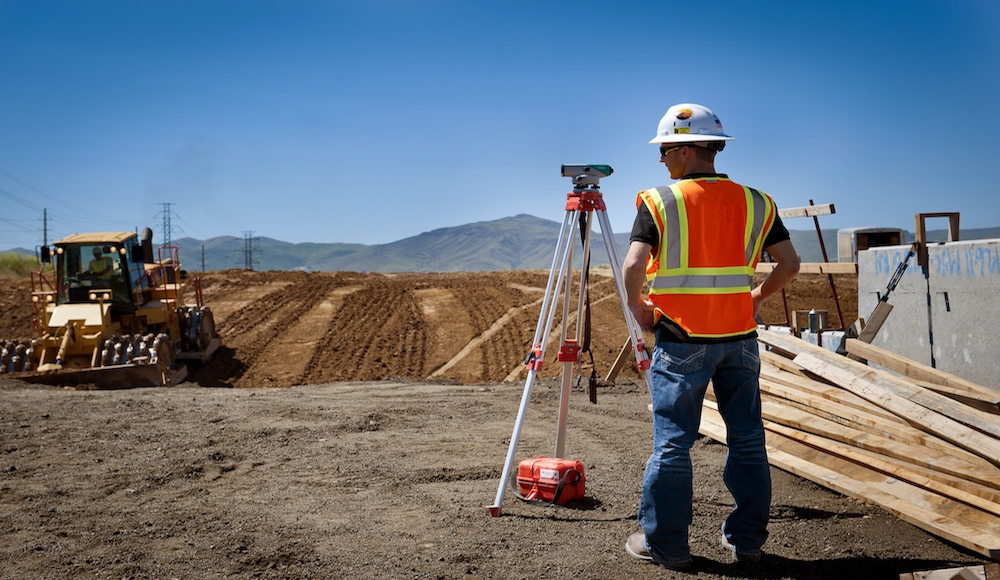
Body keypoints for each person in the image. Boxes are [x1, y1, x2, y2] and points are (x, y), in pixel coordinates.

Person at [621, 103, 800, 570]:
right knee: (747, 439)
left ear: (683, 149)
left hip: (681, 338)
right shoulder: (758, 201)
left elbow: (633, 266)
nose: (661, 160)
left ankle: (667, 546)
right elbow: (791, 264)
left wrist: (640, 310)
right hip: (739, 337)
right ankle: (746, 543)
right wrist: (756, 297)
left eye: (664, 151)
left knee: (672, 444)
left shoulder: (660, 201)